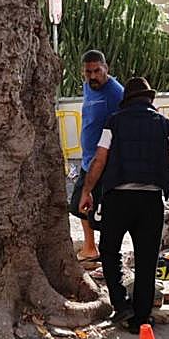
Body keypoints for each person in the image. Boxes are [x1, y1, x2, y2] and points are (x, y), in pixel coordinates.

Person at [78, 77, 169, 334]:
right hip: (151, 200)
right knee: (147, 259)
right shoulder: (165, 125)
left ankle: (120, 303)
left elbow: (99, 160)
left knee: (108, 251)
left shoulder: (114, 122)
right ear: (150, 100)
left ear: (127, 100)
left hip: (118, 199)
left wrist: (86, 191)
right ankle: (141, 319)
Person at [68, 50, 124, 263]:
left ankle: (108, 252)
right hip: (87, 160)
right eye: (88, 72)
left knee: (103, 211)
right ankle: (90, 247)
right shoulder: (88, 87)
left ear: (106, 68)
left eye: (97, 71)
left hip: (104, 162)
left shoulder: (116, 93)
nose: (92, 76)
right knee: (80, 207)